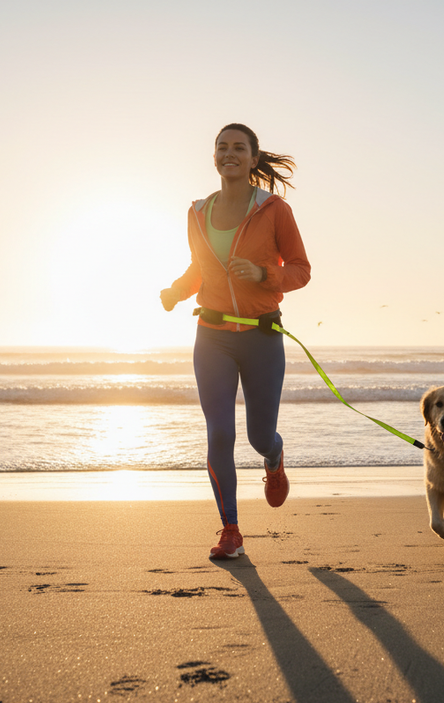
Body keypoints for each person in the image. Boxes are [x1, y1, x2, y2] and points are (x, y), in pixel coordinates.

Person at [160, 123, 311, 560]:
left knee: (259, 436)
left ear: (252, 158)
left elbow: (301, 269)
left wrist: (265, 274)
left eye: (239, 148)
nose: (229, 153)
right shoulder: (197, 212)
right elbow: (200, 268)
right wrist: (176, 290)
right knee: (220, 433)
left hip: (262, 336)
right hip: (212, 337)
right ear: (214, 158)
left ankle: (274, 458)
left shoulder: (274, 210)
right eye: (222, 147)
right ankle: (231, 530)